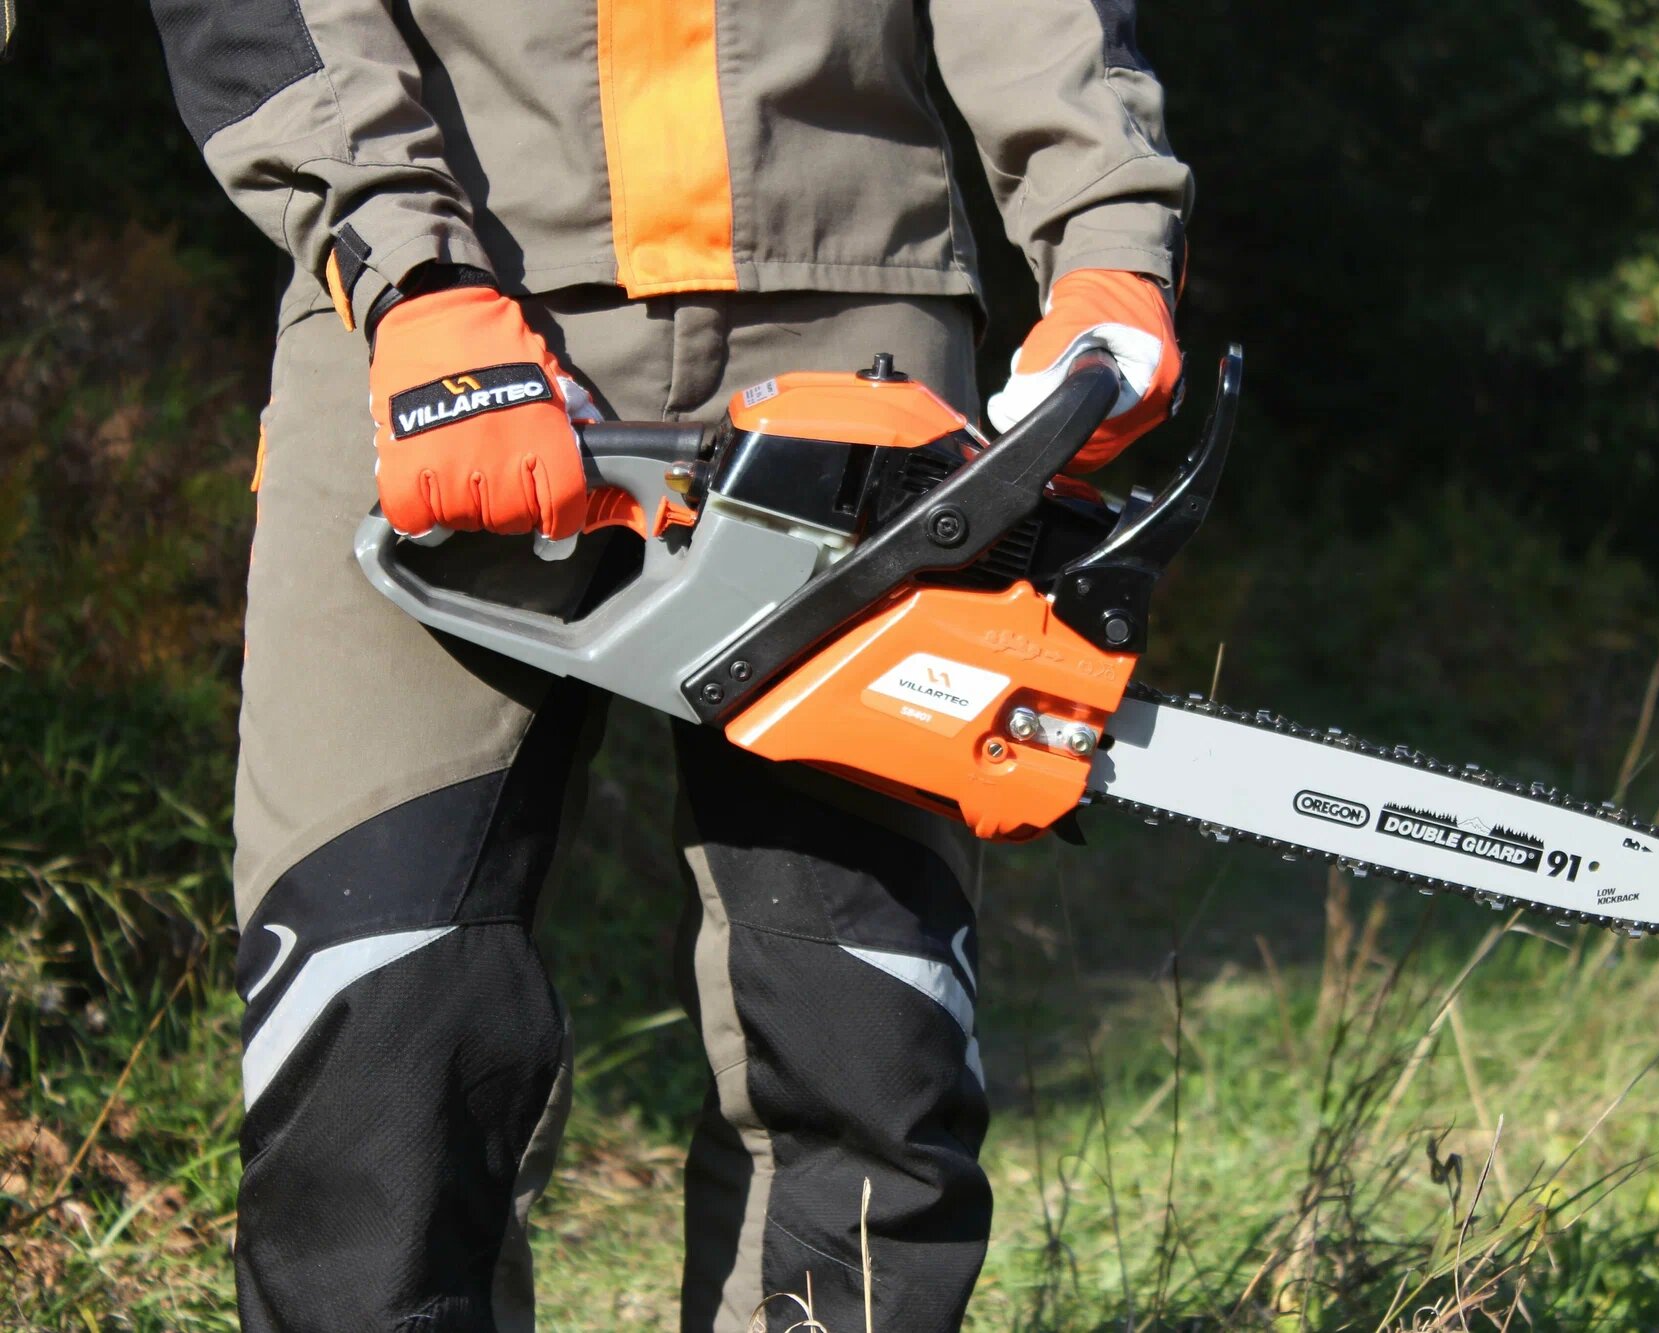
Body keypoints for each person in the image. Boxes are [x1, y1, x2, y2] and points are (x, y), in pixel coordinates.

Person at [147, 1, 1191, 1328]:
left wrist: (1107, 238)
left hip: (854, 308)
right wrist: (404, 264)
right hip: (432, 315)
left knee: (867, 1032)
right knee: (378, 1008)